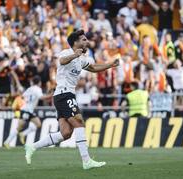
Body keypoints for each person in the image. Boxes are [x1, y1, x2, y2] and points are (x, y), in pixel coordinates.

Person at [24, 29, 119, 170]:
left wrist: (110, 65)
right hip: (64, 94)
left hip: (62, 96)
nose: (87, 41)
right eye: (84, 39)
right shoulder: (66, 52)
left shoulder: (81, 60)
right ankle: (86, 161)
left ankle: (32, 146)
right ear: (76, 42)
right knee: (79, 122)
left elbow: (93, 68)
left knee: (66, 134)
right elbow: (62, 61)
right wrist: (75, 55)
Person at [3, 75, 52, 149]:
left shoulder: (30, 88)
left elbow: (23, 96)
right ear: (39, 82)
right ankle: (7, 142)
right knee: (19, 127)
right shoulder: (38, 89)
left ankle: (23, 134)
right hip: (26, 110)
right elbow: (42, 97)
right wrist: (51, 95)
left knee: (38, 124)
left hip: (29, 110)